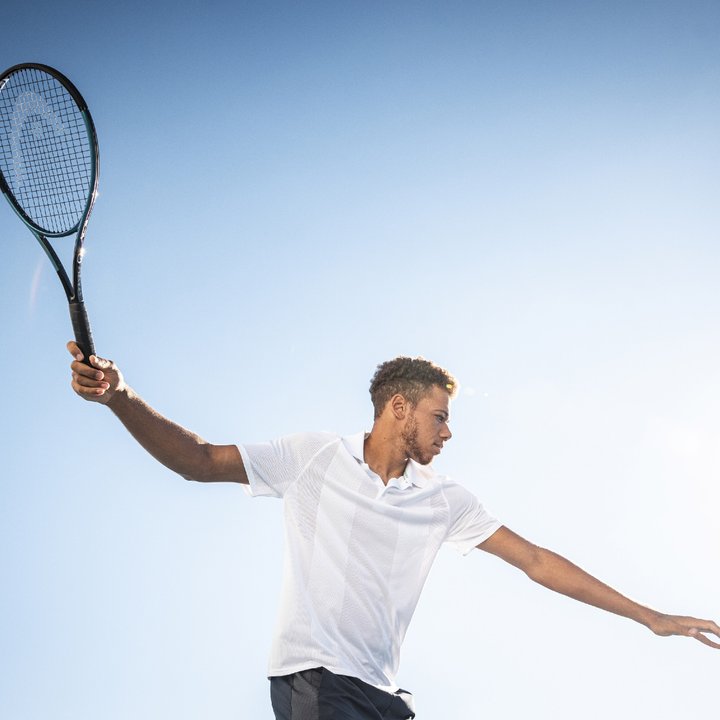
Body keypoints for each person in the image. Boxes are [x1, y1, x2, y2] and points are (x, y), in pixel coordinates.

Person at [67, 343, 720, 720]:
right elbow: (199, 460)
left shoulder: (444, 499)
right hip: (315, 681)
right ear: (398, 408)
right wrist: (120, 395)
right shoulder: (314, 457)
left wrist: (651, 617)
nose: (448, 431)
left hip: (382, 697)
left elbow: (537, 561)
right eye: (439, 417)